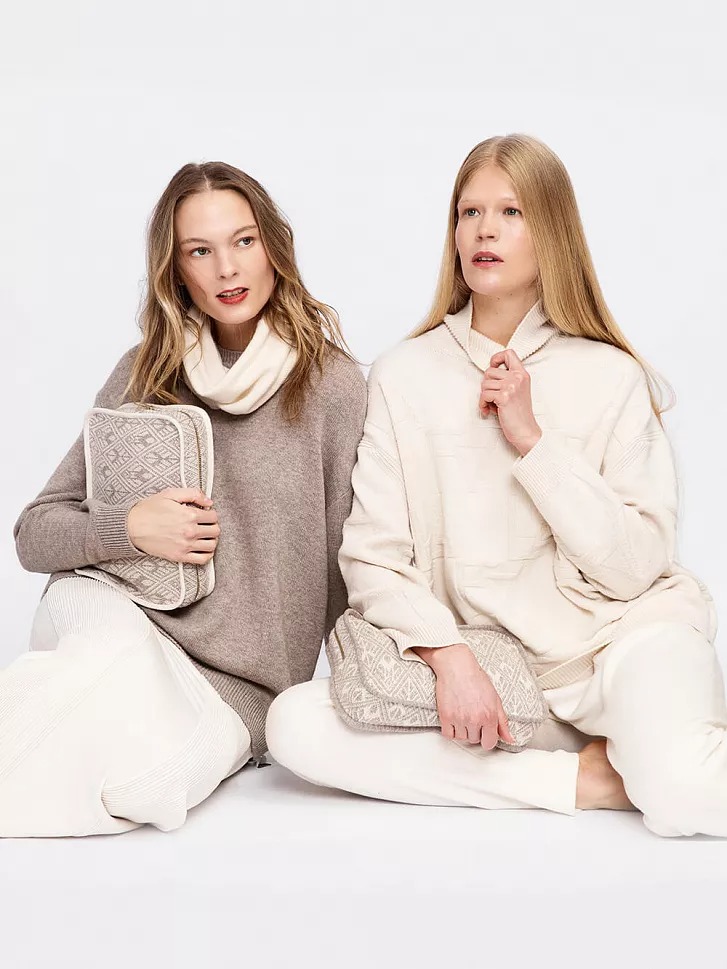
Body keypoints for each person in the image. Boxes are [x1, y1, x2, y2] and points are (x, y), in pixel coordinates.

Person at [266, 134, 724, 838]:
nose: (484, 230)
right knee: (296, 725)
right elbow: (372, 558)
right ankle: (586, 779)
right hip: (498, 679)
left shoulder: (610, 375)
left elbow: (635, 567)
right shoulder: (403, 375)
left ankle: (647, 749)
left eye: (511, 212)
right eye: (469, 212)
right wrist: (449, 658)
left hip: (625, 650)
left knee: (687, 794)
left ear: (552, 231)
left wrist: (533, 441)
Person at [2, 161, 366, 837]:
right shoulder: (145, 370)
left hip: (234, 687)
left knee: (142, 787)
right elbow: (34, 532)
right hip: (113, 613)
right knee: (99, 666)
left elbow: (354, 566)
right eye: (200, 250)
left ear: (273, 247)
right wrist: (129, 528)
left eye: (243, 241)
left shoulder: (333, 388)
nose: (227, 268)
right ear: (176, 269)